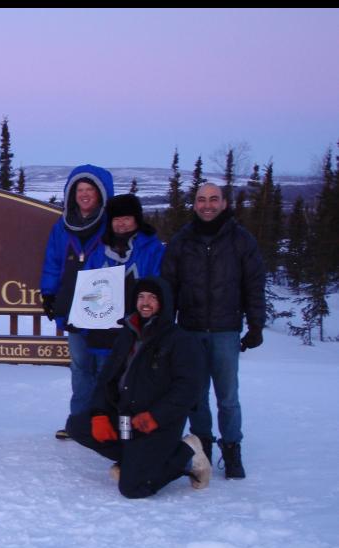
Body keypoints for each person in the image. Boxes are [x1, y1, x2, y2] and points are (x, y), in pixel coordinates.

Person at [66, 277, 210, 499]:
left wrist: (156, 416)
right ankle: (135, 461)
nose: (146, 302)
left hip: (156, 424)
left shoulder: (180, 340)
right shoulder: (128, 334)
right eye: (141, 297)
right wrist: (100, 413)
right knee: (78, 426)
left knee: (132, 488)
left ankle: (187, 453)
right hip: (125, 416)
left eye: (153, 298)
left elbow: (189, 388)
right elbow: (107, 378)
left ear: (164, 303)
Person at [161, 182, 265, 479]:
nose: (207, 204)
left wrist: (256, 324)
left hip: (225, 330)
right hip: (190, 330)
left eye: (213, 199)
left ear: (223, 203)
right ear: (194, 204)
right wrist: (166, 326)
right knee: (195, 396)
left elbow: (253, 284)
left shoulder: (241, 240)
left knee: (228, 397)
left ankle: (232, 450)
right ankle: (202, 448)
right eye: (201, 199)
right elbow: (168, 285)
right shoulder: (182, 241)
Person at [40, 164, 114, 440]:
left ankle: (104, 422)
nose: (84, 195)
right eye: (79, 190)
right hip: (73, 304)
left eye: (90, 190)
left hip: (105, 306)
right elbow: (53, 262)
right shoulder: (62, 227)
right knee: (81, 366)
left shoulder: (111, 224)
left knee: (104, 366)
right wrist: (48, 293)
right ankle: (79, 421)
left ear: (101, 193)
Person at [84, 193, 165, 355]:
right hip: (104, 334)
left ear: (136, 219)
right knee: (105, 378)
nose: (121, 224)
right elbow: (86, 292)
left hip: (140, 334)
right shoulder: (99, 252)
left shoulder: (153, 250)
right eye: (116, 219)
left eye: (126, 218)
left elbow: (160, 289)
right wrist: (83, 321)